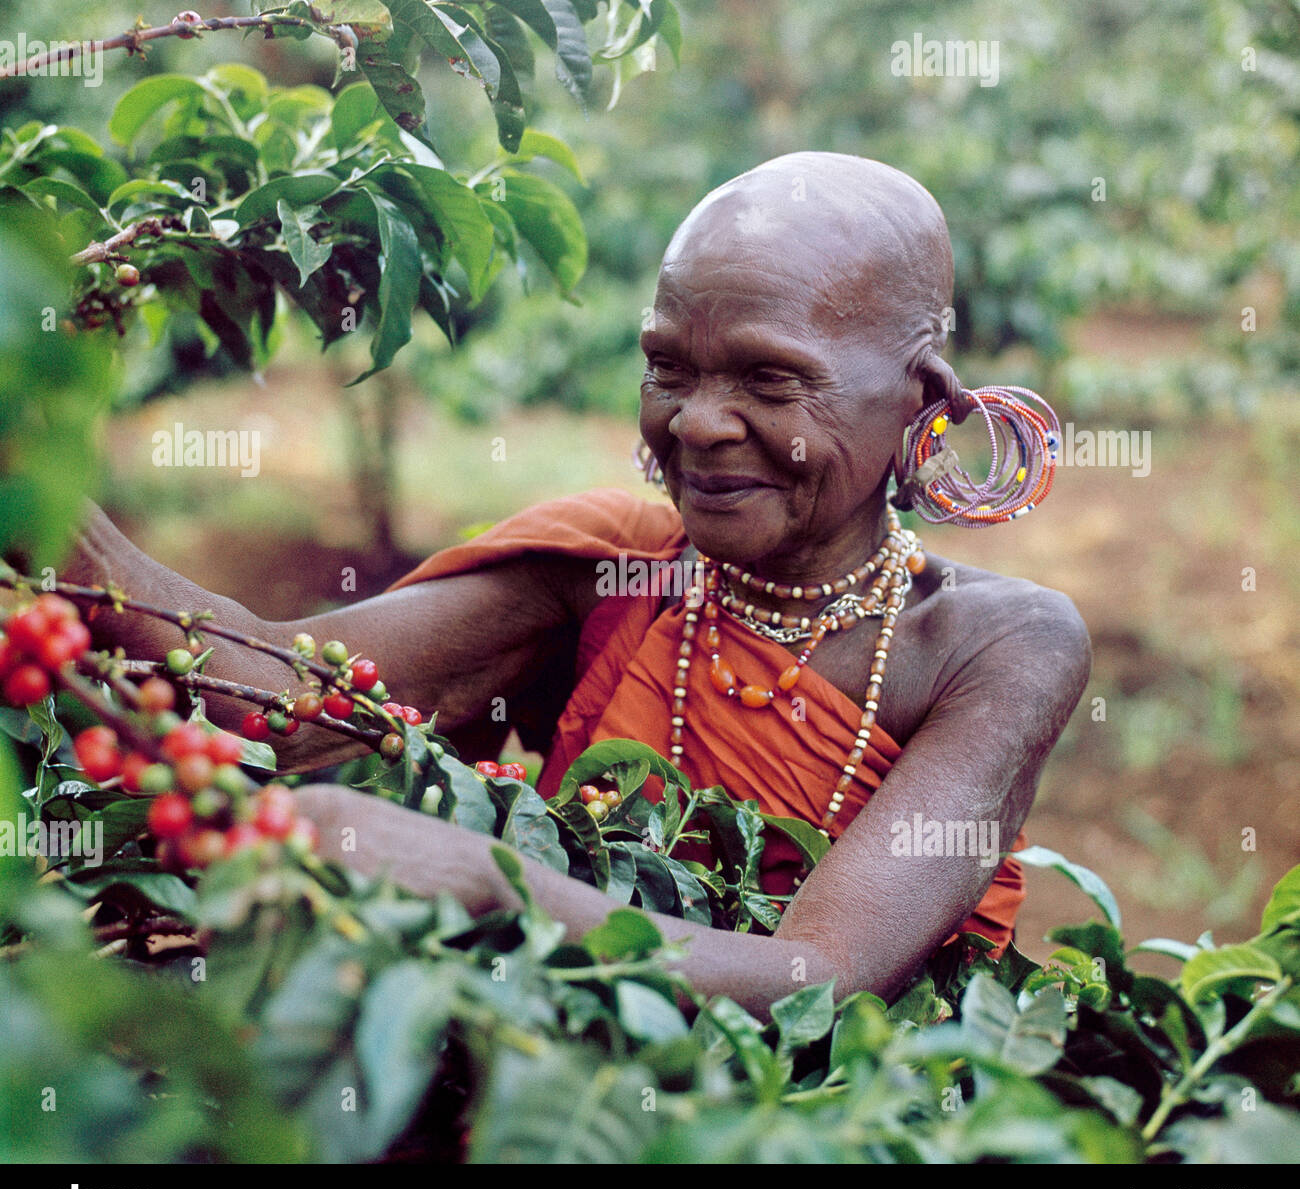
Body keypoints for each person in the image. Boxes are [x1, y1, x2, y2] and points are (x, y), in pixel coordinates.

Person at [63, 152, 1090, 1019]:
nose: (695, 422)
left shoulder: (998, 648)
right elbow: (283, 703)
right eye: (666, 369)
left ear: (921, 397)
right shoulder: (610, 566)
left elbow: (815, 980)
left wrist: (480, 880)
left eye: (769, 380)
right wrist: (50, 516)